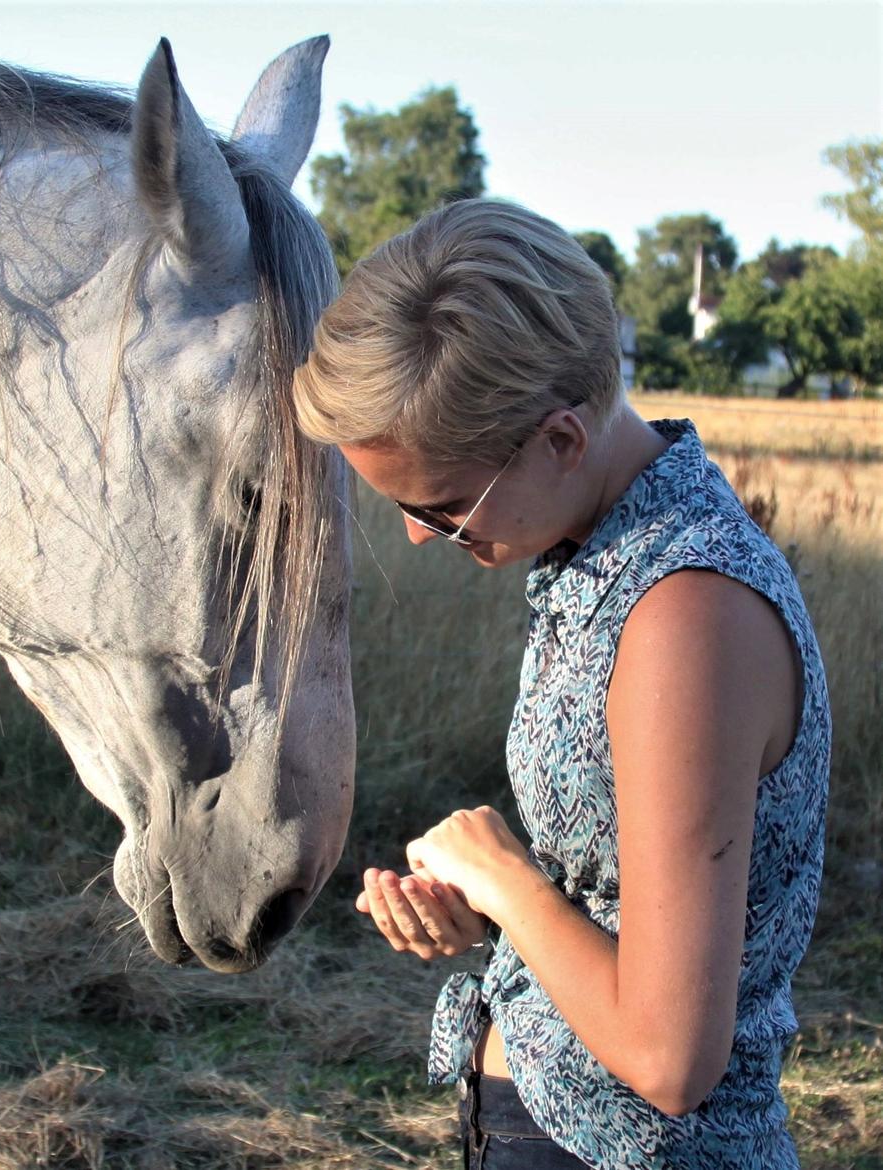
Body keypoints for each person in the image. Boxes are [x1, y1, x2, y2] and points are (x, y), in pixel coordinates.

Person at [291, 199, 830, 1170]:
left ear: (563, 440)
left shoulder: (684, 615)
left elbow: (671, 1059)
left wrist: (507, 878)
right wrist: (498, 911)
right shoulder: (606, 560)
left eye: (444, 505)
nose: (420, 535)